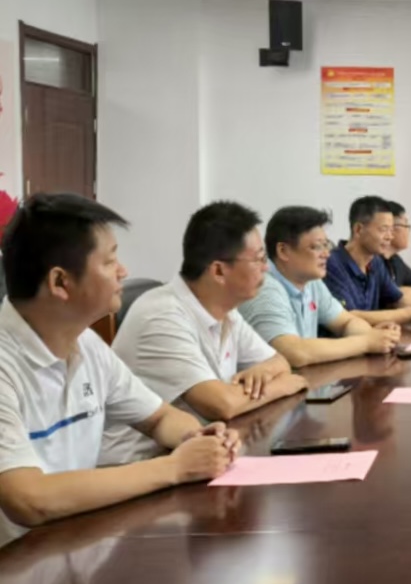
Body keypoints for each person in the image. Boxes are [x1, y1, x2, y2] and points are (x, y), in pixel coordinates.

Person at [0, 194, 239, 547]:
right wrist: (174, 468)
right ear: (60, 282)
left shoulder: (87, 345)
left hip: (71, 543)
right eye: (110, 261)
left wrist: (198, 439)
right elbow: (28, 499)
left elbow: (159, 418)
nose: (123, 271)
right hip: (17, 562)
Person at [101, 201, 307, 465]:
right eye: (258, 259)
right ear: (218, 270)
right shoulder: (162, 315)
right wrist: (283, 386)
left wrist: (264, 374)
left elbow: (279, 362)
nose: (265, 268)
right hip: (135, 466)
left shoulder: (226, 311)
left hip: (190, 452)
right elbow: (221, 405)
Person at [240, 206, 402, 366]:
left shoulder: (312, 282)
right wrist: (366, 342)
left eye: (326, 245)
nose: (326, 254)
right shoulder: (263, 288)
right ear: (283, 251)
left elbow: (346, 322)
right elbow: (294, 353)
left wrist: (375, 336)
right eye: (317, 246)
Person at [324, 196, 411, 325]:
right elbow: (347, 317)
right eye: (383, 229)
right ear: (358, 230)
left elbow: (398, 300)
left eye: (391, 230)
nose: (390, 237)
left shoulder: (376, 262)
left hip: (372, 336)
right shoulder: (331, 263)